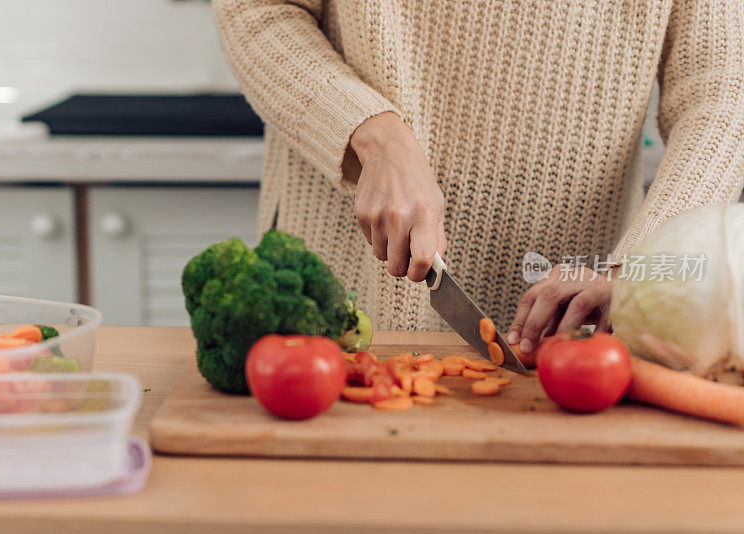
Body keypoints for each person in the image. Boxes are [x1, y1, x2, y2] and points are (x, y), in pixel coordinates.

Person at [213, 1, 744, 355]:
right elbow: (258, 9)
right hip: (338, 288)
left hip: (573, 323)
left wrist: (644, 263)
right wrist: (371, 132)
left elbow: (722, 90)